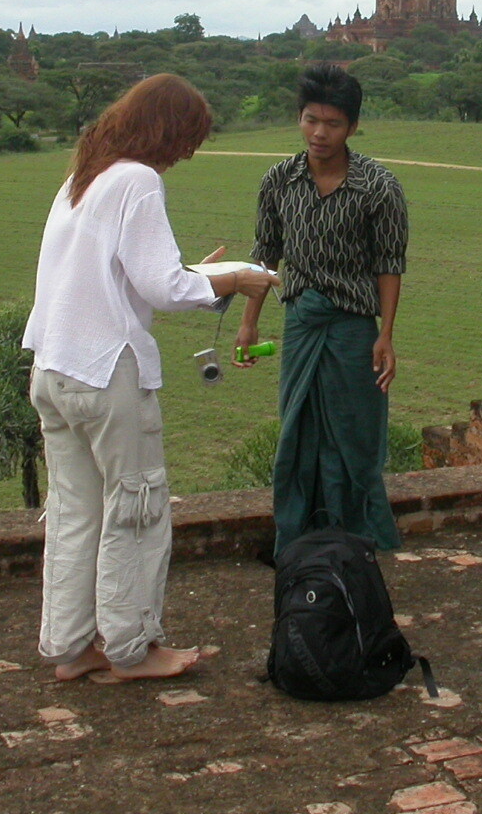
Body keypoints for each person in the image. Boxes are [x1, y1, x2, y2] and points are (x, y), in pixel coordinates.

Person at [23, 74, 277, 684]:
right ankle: (133, 648)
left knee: (74, 512)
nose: (188, 152)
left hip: (54, 369)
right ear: (167, 129)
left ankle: (71, 646)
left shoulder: (83, 179)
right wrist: (234, 282)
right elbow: (161, 288)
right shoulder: (138, 180)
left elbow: (128, 275)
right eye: (188, 136)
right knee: (137, 507)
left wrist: (196, 276)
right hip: (108, 371)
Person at [233, 63, 408, 556]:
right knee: (298, 434)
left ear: (352, 127)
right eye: (311, 120)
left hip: (354, 329)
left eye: (332, 123)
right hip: (302, 324)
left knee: (354, 438)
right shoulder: (279, 181)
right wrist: (249, 324)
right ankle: (300, 540)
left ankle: (356, 542)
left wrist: (386, 334)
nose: (320, 133)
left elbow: (389, 263)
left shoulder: (377, 186)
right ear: (299, 118)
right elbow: (265, 256)